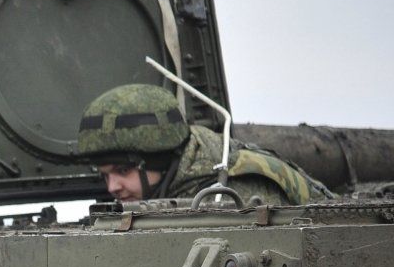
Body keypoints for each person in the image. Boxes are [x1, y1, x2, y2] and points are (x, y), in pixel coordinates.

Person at [77, 83, 328, 206]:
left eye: (123, 171)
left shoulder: (232, 193)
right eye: (104, 175)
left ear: (161, 159)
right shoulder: (181, 176)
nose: (112, 187)